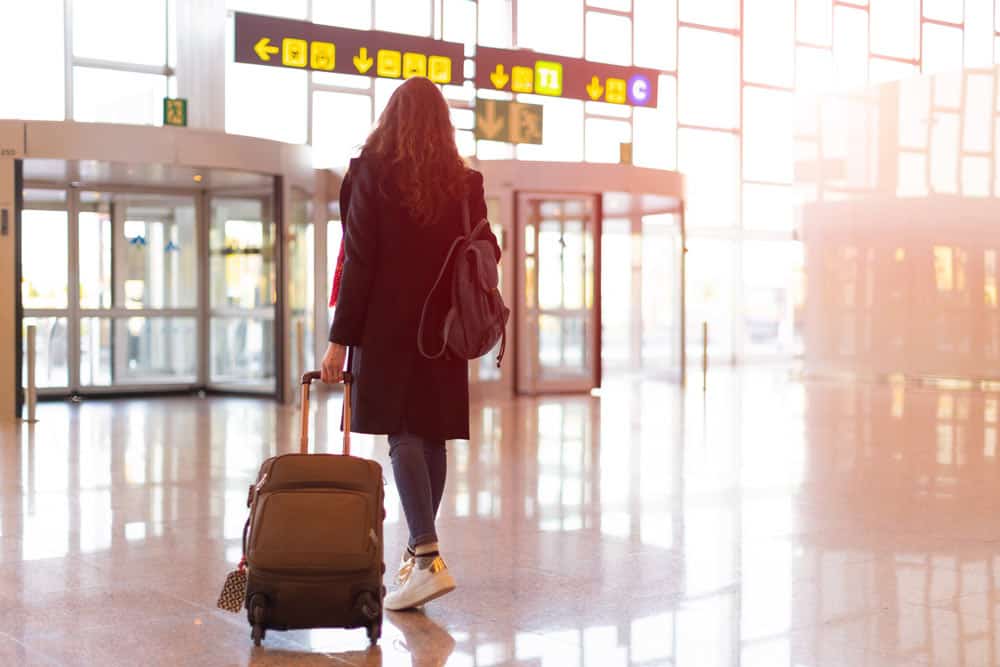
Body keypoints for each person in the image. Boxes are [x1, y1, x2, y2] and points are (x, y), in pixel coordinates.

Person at [320, 76, 501, 611]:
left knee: (403, 433)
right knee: (431, 435)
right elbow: (488, 248)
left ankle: (425, 556)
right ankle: (419, 556)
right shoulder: (465, 182)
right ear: (444, 126)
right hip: (445, 326)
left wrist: (338, 342)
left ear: (391, 119)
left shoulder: (370, 174)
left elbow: (360, 262)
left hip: (388, 327)